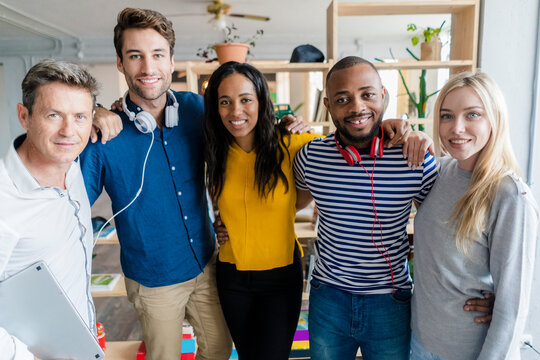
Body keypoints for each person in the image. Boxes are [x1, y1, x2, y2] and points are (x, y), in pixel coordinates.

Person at [293, 56, 493, 359]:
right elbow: (284, 201)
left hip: (391, 301)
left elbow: (452, 230)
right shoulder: (310, 158)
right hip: (328, 297)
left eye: (367, 94)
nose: (357, 107)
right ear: (328, 105)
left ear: (383, 96)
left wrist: (487, 289)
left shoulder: (414, 157)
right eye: (342, 99)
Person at [80, 8, 233, 359]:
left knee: (220, 350)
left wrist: (290, 126)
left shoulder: (197, 109)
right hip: (153, 279)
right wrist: (90, 111)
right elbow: (70, 205)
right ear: (120, 63)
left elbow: (247, 136)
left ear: (172, 60)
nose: (148, 68)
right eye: (136, 56)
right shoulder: (102, 135)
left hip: (206, 263)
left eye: (157, 55)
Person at [410, 71, 538, 359]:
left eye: (472, 115)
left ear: (494, 119)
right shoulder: (438, 172)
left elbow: (512, 309)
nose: (456, 128)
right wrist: (408, 132)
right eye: (446, 116)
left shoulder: (510, 196)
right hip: (419, 343)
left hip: (468, 351)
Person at [203, 61, 319, 360]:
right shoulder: (214, 149)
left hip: (280, 274)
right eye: (225, 102)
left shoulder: (292, 141)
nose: (235, 111)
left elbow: (347, 147)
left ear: (261, 101)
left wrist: (396, 130)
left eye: (245, 100)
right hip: (232, 274)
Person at [0, 59, 98, 359]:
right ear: (24, 116)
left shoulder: (71, 164)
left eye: (80, 117)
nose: (68, 130)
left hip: (83, 344)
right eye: (53, 115)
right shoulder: (5, 201)